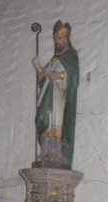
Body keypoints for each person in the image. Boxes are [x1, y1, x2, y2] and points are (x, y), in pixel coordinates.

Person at [32, 20, 79, 170]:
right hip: (48, 97)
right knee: (44, 120)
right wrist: (38, 67)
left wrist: (57, 75)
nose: (57, 42)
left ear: (66, 40)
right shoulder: (54, 60)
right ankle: (47, 153)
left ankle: (55, 153)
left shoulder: (71, 56)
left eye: (59, 38)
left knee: (55, 122)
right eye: (55, 39)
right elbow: (43, 80)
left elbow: (73, 77)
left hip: (59, 99)